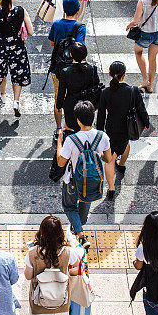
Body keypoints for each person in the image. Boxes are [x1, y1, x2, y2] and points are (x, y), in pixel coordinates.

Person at [56, 101, 114, 245]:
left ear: (78, 120)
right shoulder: (103, 137)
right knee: (85, 203)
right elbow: (107, 159)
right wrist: (95, 155)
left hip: (73, 180)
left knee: (69, 206)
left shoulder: (70, 140)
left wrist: (59, 143)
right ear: (93, 118)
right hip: (91, 180)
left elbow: (61, 162)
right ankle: (78, 227)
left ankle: (80, 233)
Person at [24, 215, 81, 315]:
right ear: (60, 234)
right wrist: (65, 273)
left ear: (41, 232)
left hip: (38, 302)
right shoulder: (69, 253)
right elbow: (77, 270)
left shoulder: (32, 254)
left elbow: (28, 276)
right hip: (60, 302)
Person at [96, 61, 149, 187]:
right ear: (124, 74)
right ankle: (122, 164)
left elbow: (101, 114)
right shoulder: (132, 91)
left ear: (109, 74)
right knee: (125, 145)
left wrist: (99, 131)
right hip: (126, 127)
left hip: (111, 128)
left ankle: (111, 188)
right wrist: (146, 122)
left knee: (110, 159)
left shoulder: (105, 92)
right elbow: (141, 109)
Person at [0, 0, 32, 117]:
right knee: (18, 74)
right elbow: (30, 31)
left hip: (1, 47)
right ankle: (16, 101)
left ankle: (3, 95)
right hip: (17, 48)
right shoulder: (21, 11)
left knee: (2, 72)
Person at [48, 0, 86, 136]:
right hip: (74, 69)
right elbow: (81, 47)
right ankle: (73, 126)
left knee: (58, 99)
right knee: (75, 97)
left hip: (57, 68)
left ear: (63, 9)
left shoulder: (56, 24)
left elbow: (52, 43)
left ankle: (58, 128)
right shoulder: (80, 27)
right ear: (78, 9)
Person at [55, 42, 100, 132]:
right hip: (87, 105)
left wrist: (59, 105)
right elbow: (96, 86)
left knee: (72, 129)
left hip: (71, 105)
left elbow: (62, 91)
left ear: (71, 55)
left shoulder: (65, 71)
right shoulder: (92, 69)